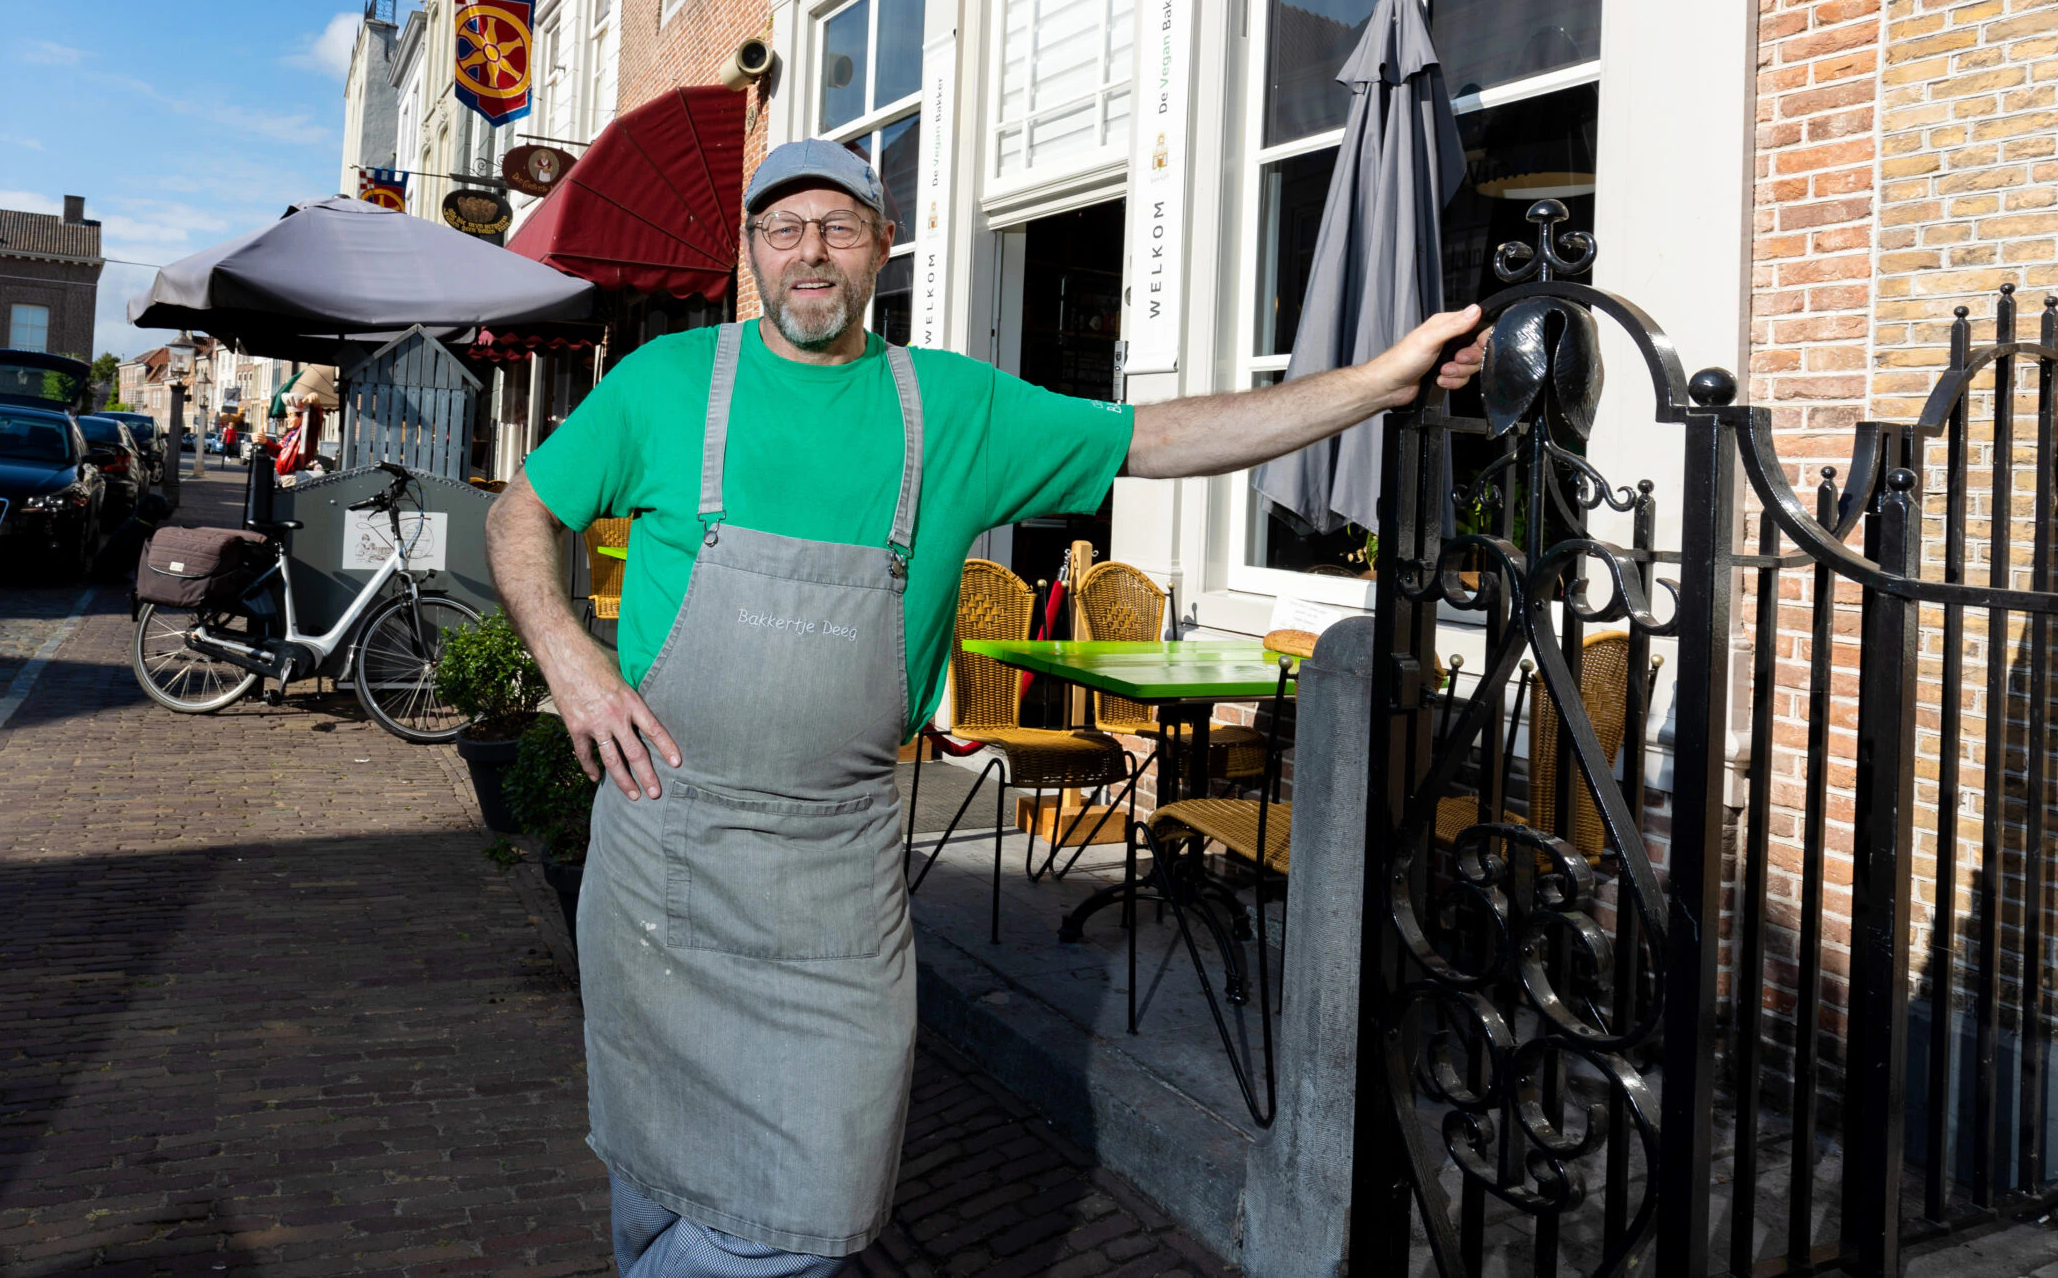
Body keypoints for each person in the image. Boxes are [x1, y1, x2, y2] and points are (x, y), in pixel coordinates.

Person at [486, 138, 1488, 1276]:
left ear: (881, 247)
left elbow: (1167, 437)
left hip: (836, 874)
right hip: (662, 843)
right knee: (656, 1158)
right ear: (751, 251)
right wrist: (568, 656)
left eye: (838, 228)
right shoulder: (664, 382)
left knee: (801, 1213)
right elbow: (521, 515)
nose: (809, 253)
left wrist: (1377, 382)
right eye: (783, 228)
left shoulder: (951, 407)